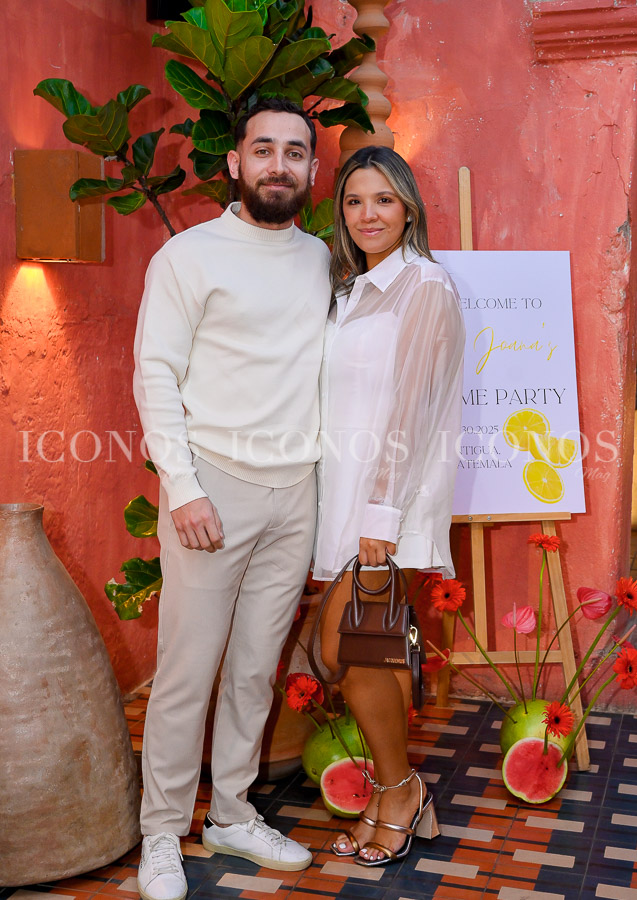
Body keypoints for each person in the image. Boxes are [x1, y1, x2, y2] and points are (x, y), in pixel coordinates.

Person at [133, 98, 331, 900]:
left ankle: (232, 814)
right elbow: (155, 374)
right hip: (211, 487)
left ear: (311, 168)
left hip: (297, 489)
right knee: (187, 671)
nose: (278, 165)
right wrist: (182, 488)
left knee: (255, 670)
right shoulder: (188, 256)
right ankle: (160, 833)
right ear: (234, 162)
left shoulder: (321, 259)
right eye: (264, 149)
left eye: (294, 152)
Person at [312, 146, 465, 867]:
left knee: (351, 645)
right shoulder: (349, 291)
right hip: (339, 493)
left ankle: (401, 791)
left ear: (408, 208)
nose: (367, 214)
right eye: (353, 200)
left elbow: (413, 408)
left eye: (383, 199)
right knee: (365, 647)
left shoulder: (425, 286)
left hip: (385, 502)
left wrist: (381, 514)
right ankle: (392, 793)